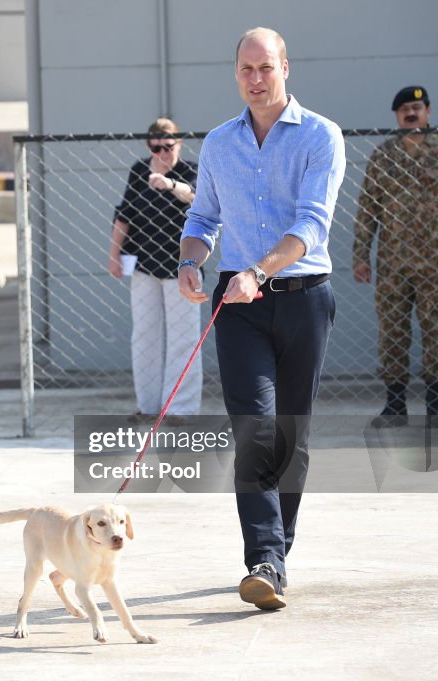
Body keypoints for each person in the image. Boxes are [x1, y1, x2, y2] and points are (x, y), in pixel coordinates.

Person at [178, 27, 345, 610]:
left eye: (265, 68)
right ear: (236, 74)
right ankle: (264, 560)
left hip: (304, 297)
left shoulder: (320, 136)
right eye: (246, 69)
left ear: (285, 68)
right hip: (238, 306)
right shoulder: (221, 143)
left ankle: (278, 552)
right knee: (255, 428)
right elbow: (202, 218)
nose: (255, 79)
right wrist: (190, 261)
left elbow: (311, 225)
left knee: (291, 436)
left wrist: (259, 270)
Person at [353, 86, 438, 424]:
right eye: (405, 108)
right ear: (396, 114)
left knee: (437, 334)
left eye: (417, 107)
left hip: (437, 264)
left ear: (428, 112)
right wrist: (361, 255)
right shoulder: (384, 156)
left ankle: (436, 404)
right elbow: (368, 210)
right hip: (393, 265)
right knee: (392, 333)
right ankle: (395, 404)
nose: (411, 113)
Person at [107, 118, 199, 425]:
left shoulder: (189, 171)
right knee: (144, 335)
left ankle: (181, 409)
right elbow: (124, 214)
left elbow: (196, 197)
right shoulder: (139, 171)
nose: (162, 153)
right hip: (145, 264)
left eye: (168, 147)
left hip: (183, 267)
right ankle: (148, 406)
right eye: (156, 147)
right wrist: (114, 255)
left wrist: (169, 184)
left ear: (179, 144)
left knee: (183, 338)